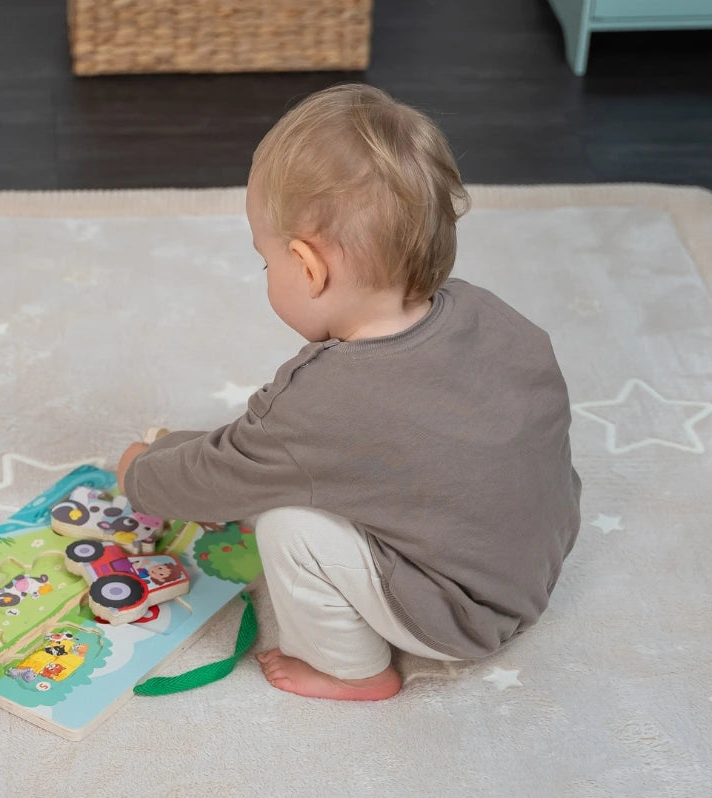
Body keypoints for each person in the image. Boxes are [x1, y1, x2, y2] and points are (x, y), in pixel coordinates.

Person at [118, 83, 581, 702]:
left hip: (460, 617)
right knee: (351, 478)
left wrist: (142, 472)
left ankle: (351, 670)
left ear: (309, 268)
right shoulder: (490, 313)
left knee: (287, 525)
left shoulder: (322, 397)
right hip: (535, 560)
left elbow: (224, 473)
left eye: (267, 261)